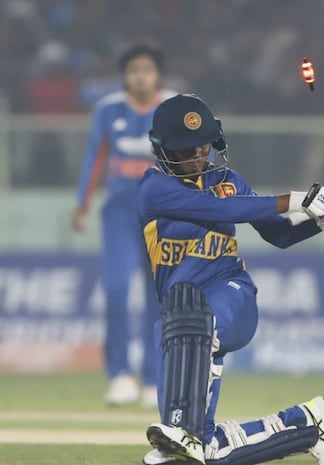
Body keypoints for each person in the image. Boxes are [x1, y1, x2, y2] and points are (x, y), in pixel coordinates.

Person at [138, 94, 324, 465]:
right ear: (162, 149)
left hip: (229, 296)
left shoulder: (228, 181)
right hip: (177, 321)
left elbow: (279, 233)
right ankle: (305, 425)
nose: (199, 155)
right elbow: (219, 209)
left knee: (184, 430)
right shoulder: (154, 189)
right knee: (199, 451)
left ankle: (187, 433)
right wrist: (300, 199)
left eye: (204, 146)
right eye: (187, 149)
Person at [72, 43, 174, 408]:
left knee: (158, 297)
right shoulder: (108, 108)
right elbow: (95, 156)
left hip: (162, 214)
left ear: (157, 75)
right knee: (115, 290)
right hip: (119, 211)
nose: (140, 77)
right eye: (134, 71)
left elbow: (195, 159)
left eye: (147, 70)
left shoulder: (175, 108)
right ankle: (120, 376)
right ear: (125, 76)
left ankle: (153, 379)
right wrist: (82, 203)